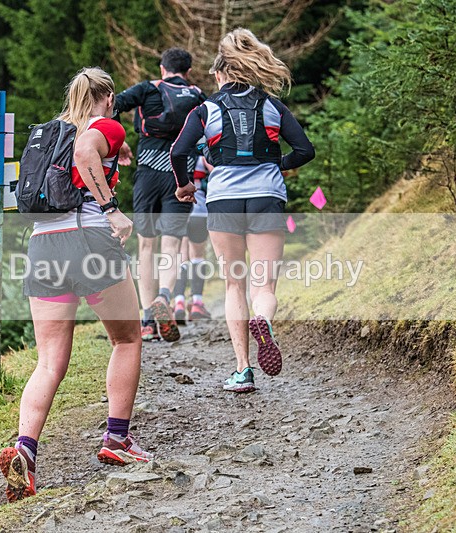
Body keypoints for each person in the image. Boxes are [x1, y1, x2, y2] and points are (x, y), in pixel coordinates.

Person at [0, 67, 152, 503]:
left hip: (44, 245)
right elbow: (87, 153)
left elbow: (77, 159)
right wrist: (112, 209)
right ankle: (117, 440)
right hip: (88, 239)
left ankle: (25, 452)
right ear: (107, 98)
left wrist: (112, 157)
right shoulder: (104, 125)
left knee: (48, 361)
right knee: (127, 338)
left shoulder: (51, 132)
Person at [170, 29, 315, 392]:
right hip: (267, 195)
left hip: (223, 200)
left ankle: (243, 370)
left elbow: (178, 152)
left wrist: (185, 184)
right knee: (263, 284)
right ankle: (262, 319)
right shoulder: (272, 106)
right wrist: (275, 164)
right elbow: (305, 150)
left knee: (234, 284)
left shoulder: (206, 109)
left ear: (220, 74)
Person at [113, 48, 205, 343]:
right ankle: (165, 296)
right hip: (182, 175)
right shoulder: (198, 96)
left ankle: (148, 321)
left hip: (149, 173)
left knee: (147, 247)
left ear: (162, 68)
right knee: (173, 246)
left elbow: (109, 106)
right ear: (187, 71)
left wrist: (121, 141)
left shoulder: (148, 89)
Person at [172, 154, 213, 323]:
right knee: (198, 256)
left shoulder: (176, 157)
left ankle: (179, 302)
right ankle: (197, 303)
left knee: (181, 257)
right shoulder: (203, 158)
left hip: (178, 210)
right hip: (199, 210)